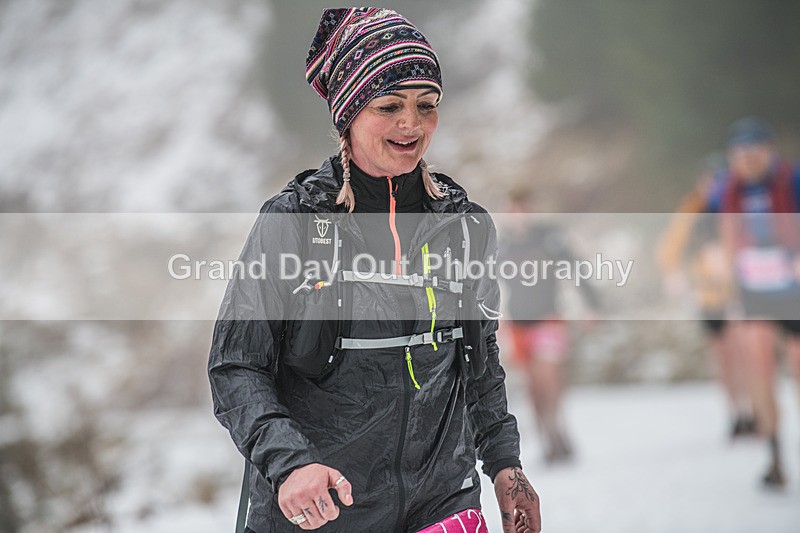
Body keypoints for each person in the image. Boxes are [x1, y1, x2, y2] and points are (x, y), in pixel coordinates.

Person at [208, 8, 541, 533]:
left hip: (442, 501)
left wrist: (505, 465)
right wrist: (290, 464)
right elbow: (235, 367)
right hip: (322, 509)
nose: (411, 124)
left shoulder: (464, 225)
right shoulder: (294, 222)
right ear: (349, 114)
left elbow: (478, 361)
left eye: (426, 107)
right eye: (390, 106)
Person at [712, 117, 800, 488]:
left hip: (794, 289)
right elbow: (727, 237)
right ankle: (775, 456)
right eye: (741, 153)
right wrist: (730, 286)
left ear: (769, 150)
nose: (748, 159)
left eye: (755, 151)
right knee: (760, 373)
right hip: (755, 291)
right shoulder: (727, 190)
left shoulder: (792, 181)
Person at [499, 188, 601, 464]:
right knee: (533, 386)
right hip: (518, 324)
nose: (519, 217)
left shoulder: (548, 238)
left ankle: (558, 431)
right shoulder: (502, 245)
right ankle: (547, 437)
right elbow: (488, 285)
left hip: (548, 318)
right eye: (513, 211)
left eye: (523, 210)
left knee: (548, 378)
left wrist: (591, 305)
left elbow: (575, 269)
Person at [657, 156, 754, 439]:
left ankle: (752, 410)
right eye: (710, 179)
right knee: (724, 357)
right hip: (708, 295)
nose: (715, 185)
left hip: (737, 292)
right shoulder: (693, 208)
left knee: (742, 353)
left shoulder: (736, 205)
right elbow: (670, 247)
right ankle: (736, 412)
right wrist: (675, 274)